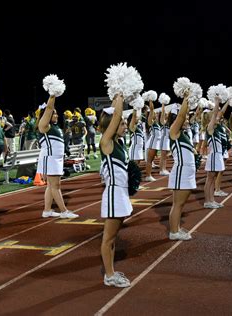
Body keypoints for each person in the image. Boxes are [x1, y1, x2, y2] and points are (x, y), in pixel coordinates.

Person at [99, 94, 133, 287]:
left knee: (112, 239)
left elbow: (116, 114)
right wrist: (120, 94)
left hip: (121, 193)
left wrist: (116, 101)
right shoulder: (107, 143)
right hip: (113, 194)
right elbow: (117, 114)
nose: (124, 126)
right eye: (121, 124)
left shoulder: (118, 143)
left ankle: (110, 271)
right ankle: (109, 276)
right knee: (108, 238)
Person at [37, 97, 78, 219]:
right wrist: (52, 96)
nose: (56, 115)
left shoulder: (54, 126)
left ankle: (47, 210)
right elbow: (49, 108)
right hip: (50, 159)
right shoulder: (44, 126)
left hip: (56, 159)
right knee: (56, 186)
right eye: (54, 114)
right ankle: (64, 211)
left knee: (51, 186)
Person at [167, 91, 195, 240]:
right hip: (181, 171)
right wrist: (186, 99)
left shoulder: (182, 133)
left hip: (187, 172)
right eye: (185, 118)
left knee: (181, 203)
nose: (187, 120)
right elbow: (182, 116)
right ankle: (173, 232)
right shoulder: (173, 130)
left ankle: (176, 227)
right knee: (178, 204)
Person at [203, 99, 225, 208]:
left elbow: (220, 113)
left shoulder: (215, 128)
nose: (217, 117)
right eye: (214, 117)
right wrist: (217, 102)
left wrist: (227, 102)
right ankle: (207, 201)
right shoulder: (210, 128)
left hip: (217, 155)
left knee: (212, 179)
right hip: (213, 156)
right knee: (210, 179)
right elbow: (217, 112)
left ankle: (212, 200)